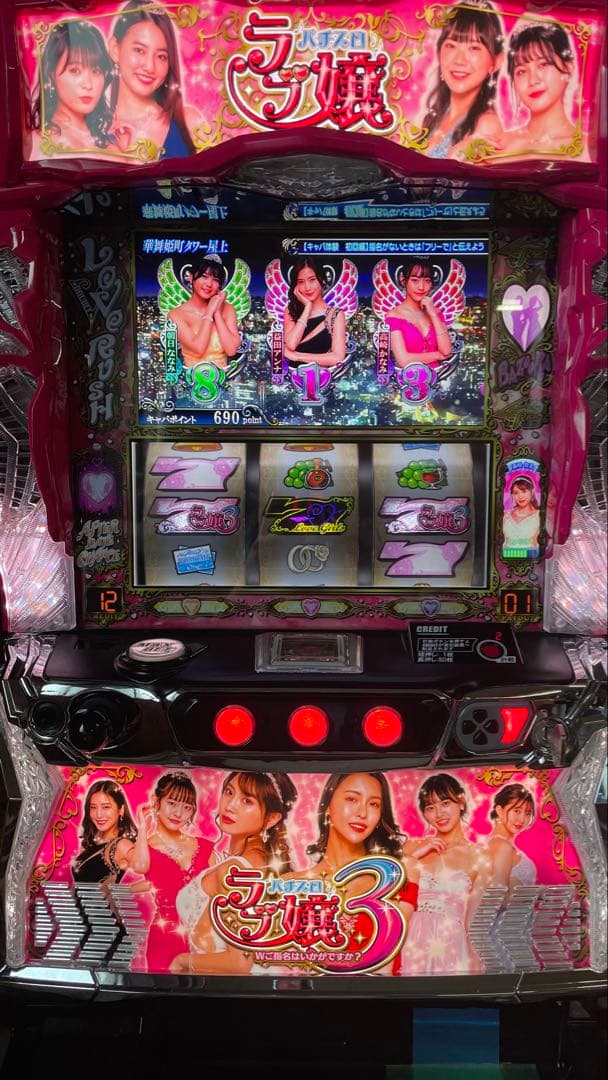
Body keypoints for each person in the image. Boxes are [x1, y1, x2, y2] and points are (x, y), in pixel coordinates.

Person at [170, 771, 297, 974]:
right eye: (229, 792)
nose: (230, 805)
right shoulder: (258, 864)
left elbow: (239, 962)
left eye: (247, 801)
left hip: (227, 986)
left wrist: (182, 961)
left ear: (271, 818)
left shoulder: (236, 870)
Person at [295, 773, 420, 961]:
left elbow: (388, 955)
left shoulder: (400, 872)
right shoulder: (291, 884)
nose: (363, 813)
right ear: (327, 806)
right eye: (352, 799)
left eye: (374, 804)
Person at [398, 773, 491, 975]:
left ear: (462, 801)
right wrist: (415, 856)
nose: (439, 813)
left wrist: (475, 964)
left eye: (445, 803)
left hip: (450, 943)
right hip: (407, 939)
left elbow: (472, 923)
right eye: (430, 807)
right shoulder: (411, 847)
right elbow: (386, 891)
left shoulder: (478, 858)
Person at [128, 771, 213, 972]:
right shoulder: (145, 848)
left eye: (187, 807)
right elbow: (139, 867)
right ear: (156, 802)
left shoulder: (205, 847)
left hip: (205, 936)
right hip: (165, 935)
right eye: (172, 803)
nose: (178, 813)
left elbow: (218, 891)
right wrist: (142, 828)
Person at [108, 0, 200, 158]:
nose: (150, 67)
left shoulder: (189, 122)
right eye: (139, 50)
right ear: (115, 49)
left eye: (161, 56)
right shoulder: (90, 128)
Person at [421, 2, 504, 160]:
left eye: (474, 48)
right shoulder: (435, 116)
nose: (459, 60)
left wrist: (455, 154)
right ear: (439, 54)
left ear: (496, 62)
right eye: (451, 46)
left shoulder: (486, 125)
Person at [29, 20, 113, 152]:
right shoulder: (35, 144)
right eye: (75, 70)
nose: (88, 85)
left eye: (96, 71)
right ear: (51, 74)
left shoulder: (111, 144)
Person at [501, 24, 578, 155]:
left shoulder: (587, 149)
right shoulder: (499, 144)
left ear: (568, 68)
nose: (533, 80)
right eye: (521, 71)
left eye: (543, 64)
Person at [167, 255, 240, 370]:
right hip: (191, 379)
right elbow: (198, 349)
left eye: (215, 280)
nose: (209, 284)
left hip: (223, 379)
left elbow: (231, 350)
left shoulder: (228, 309)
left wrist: (217, 313)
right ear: (191, 277)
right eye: (204, 276)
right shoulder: (176, 315)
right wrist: (209, 313)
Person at [385, 259, 452, 369]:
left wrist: (433, 315)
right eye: (415, 280)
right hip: (410, 377)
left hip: (439, 377)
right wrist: (438, 355)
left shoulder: (436, 312)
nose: (421, 287)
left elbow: (446, 350)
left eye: (427, 281)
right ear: (403, 280)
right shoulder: (394, 315)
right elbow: (403, 361)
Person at [283, 257, 346, 369]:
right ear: (296, 286)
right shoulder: (291, 310)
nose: (307, 287)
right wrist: (307, 307)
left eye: (312, 280)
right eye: (301, 282)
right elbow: (291, 344)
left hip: (321, 377)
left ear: (321, 280)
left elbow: (337, 357)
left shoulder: (335, 314)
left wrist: (298, 356)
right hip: (293, 376)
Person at [72, 779, 137, 885]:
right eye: (93, 807)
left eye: (106, 807)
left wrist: (126, 890)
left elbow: (145, 870)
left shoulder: (122, 845)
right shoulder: (89, 843)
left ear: (121, 809)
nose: (99, 814)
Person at [486, 784, 536, 888]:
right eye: (517, 811)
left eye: (527, 813)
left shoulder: (493, 843)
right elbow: (497, 895)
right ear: (499, 811)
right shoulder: (502, 846)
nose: (522, 819)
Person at [503, 476, 540, 552]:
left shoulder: (539, 516)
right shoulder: (505, 515)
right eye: (516, 493)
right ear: (512, 495)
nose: (520, 496)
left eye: (524, 491)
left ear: (532, 492)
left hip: (530, 557)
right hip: (506, 556)